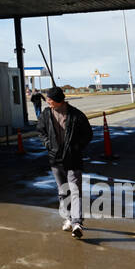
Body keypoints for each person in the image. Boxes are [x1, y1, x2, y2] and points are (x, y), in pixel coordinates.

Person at [32, 85, 93, 238]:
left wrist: (76, 147)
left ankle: (77, 223)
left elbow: (88, 134)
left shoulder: (76, 115)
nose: (47, 102)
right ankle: (68, 218)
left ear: (58, 100)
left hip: (73, 158)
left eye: (50, 100)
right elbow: (40, 130)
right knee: (63, 190)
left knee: (75, 189)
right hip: (55, 158)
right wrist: (48, 144)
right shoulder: (46, 114)